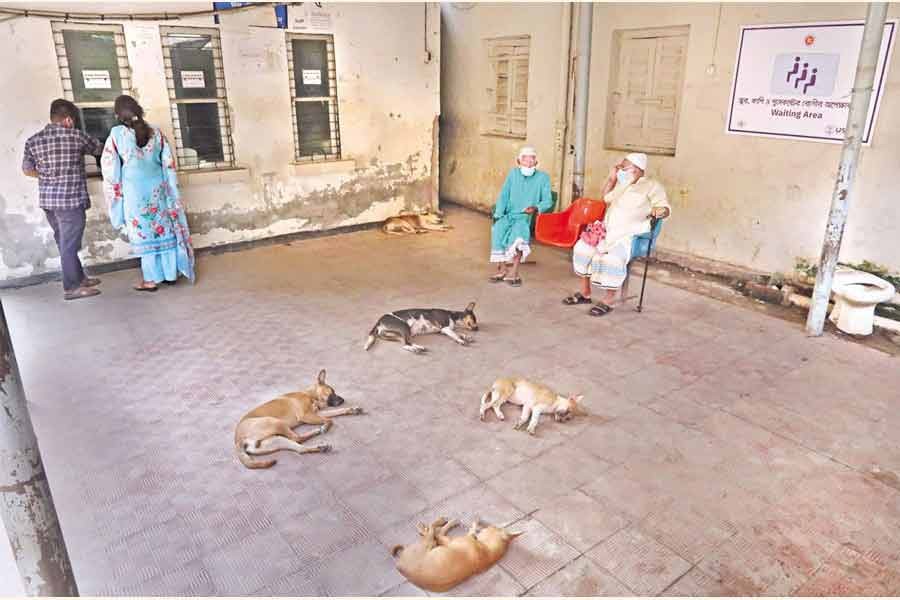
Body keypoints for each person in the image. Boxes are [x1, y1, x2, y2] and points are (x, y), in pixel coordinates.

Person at [101, 95, 195, 291]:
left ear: (118, 114)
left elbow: (110, 169)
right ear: (139, 110)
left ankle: (151, 280)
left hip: (134, 191)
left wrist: (115, 195)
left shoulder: (117, 134)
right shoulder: (156, 133)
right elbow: (168, 164)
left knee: (144, 233)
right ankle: (170, 275)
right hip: (158, 189)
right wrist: (171, 191)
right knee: (163, 228)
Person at [562, 152, 671, 316]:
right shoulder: (622, 183)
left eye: (624, 165)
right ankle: (585, 293)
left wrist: (661, 211)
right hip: (607, 231)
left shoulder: (652, 185)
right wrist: (612, 178)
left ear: (637, 168)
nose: (620, 167)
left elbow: (664, 207)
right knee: (582, 248)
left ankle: (609, 299)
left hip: (629, 234)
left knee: (611, 259)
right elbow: (605, 198)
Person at [22, 99, 104, 301]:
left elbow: (27, 169)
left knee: (63, 242)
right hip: (70, 202)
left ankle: (80, 278)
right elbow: (100, 149)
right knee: (69, 244)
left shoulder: (33, 140)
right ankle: (72, 287)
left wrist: (49, 176)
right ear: (68, 119)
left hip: (49, 202)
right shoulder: (76, 136)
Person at [489, 146, 553, 286]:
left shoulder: (543, 178)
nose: (529, 161)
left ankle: (514, 272)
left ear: (536, 162)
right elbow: (504, 195)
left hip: (525, 216)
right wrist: (498, 214)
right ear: (519, 161)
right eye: (525, 158)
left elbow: (548, 200)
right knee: (498, 230)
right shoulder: (513, 174)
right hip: (508, 214)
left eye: (532, 158)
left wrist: (536, 207)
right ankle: (503, 268)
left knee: (518, 237)